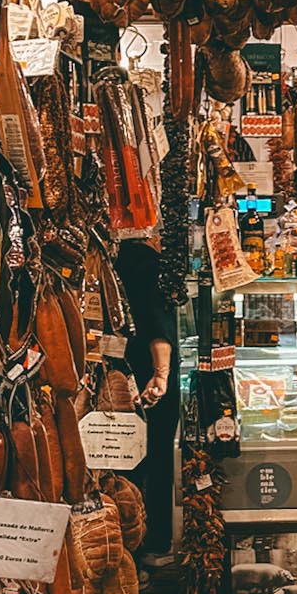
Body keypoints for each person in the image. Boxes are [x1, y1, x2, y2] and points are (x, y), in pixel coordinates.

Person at [115, 235, 178, 567]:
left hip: (128, 376)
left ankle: (133, 546)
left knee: (131, 459)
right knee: (153, 458)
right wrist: (162, 375)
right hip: (148, 380)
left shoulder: (122, 260)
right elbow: (158, 327)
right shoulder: (144, 262)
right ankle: (149, 545)